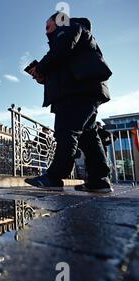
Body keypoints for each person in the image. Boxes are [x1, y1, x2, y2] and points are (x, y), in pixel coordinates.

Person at [25, 12, 113, 193]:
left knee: (66, 132)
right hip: (82, 90)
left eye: (48, 27)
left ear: (58, 22)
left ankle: (55, 176)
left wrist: (41, 67)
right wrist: (42, 76)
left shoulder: (68, 27)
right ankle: (100, 180)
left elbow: (62, 50)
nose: (46, 32)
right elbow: (63, 60)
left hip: (78, 91)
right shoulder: (69, 37)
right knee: (88, 137)